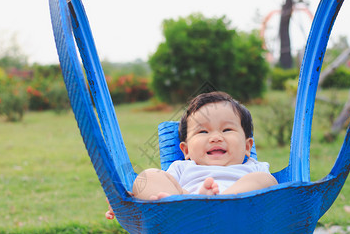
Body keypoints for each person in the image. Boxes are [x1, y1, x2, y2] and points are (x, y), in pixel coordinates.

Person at [105, 91, 278, 220]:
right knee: (149, 176)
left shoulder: (254, 167)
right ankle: (186, 203)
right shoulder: (182, 167)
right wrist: (126, 202)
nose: (216, 137)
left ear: (248, 146)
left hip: (239, 214)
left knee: (265, 180)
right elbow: (155, 189)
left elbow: (275, 196)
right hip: (188, 213)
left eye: (227, 130)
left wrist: (222, 200)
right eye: (203, 131)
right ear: (186, 150)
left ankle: (221, 203)